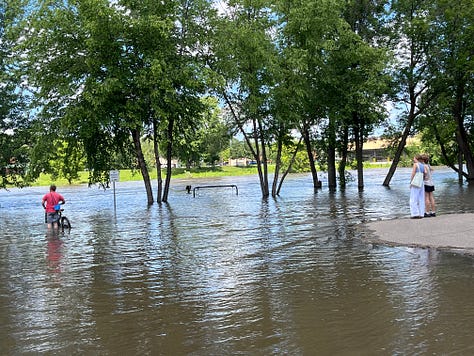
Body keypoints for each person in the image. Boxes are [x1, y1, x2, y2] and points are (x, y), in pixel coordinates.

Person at [410, 154, 427, 218]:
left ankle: (415, 213)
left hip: (416, 182)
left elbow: (413, 173)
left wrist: (411, 182)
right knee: (421, 198)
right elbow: (425, 173)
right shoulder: (423, 165)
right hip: (421, 182)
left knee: (413, 198)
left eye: (414, 158)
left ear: (416, 158)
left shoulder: (415, 164)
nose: (413, 159)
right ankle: (421, 213)